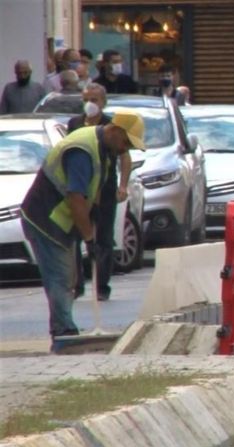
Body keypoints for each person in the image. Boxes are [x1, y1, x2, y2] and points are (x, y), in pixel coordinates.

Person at [20, 109, 144, 352]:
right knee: (61, 276)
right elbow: (77, 199)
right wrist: (90, 239)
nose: (125, 149)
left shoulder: (104, 149)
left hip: (63, 220)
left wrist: (93, 229)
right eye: (126, 142)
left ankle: (64, 327)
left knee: (74, 280)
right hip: (45, 218)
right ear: (116, 130)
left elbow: (92, 193)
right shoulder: (82, 151)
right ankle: (63, 334)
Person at [68, 83, 131, 302]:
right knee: (76, 237)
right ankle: (77, 284)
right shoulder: (74, 123)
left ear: (103, 102)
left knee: (103, 237)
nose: (89, 104)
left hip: (105, 189)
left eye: (94, 100)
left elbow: (124, 157)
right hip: (81, 189)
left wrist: (123, 185)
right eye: (86, 99)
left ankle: (101, 285)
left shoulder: (112, 126)